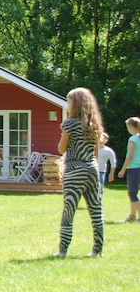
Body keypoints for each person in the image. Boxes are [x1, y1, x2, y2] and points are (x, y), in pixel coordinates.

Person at [55, 87, 105, 258]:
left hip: (75, 169)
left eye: (69, 101)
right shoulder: (94, 125)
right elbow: (96, 153)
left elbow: (61, 148)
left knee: (69, 211)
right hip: (92, 170)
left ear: (75, 104)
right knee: (96, 211)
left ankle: (63, 250)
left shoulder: (69, 123)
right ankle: (98, 250)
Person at [109, 117, 140, 223]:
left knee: (132, 192)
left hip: (134, 168)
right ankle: (132, 215)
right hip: (138, 167)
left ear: (131, 126)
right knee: (133, 192)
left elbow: (130, 155)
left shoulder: (132, 139)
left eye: (127, 126)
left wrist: (123, 169)